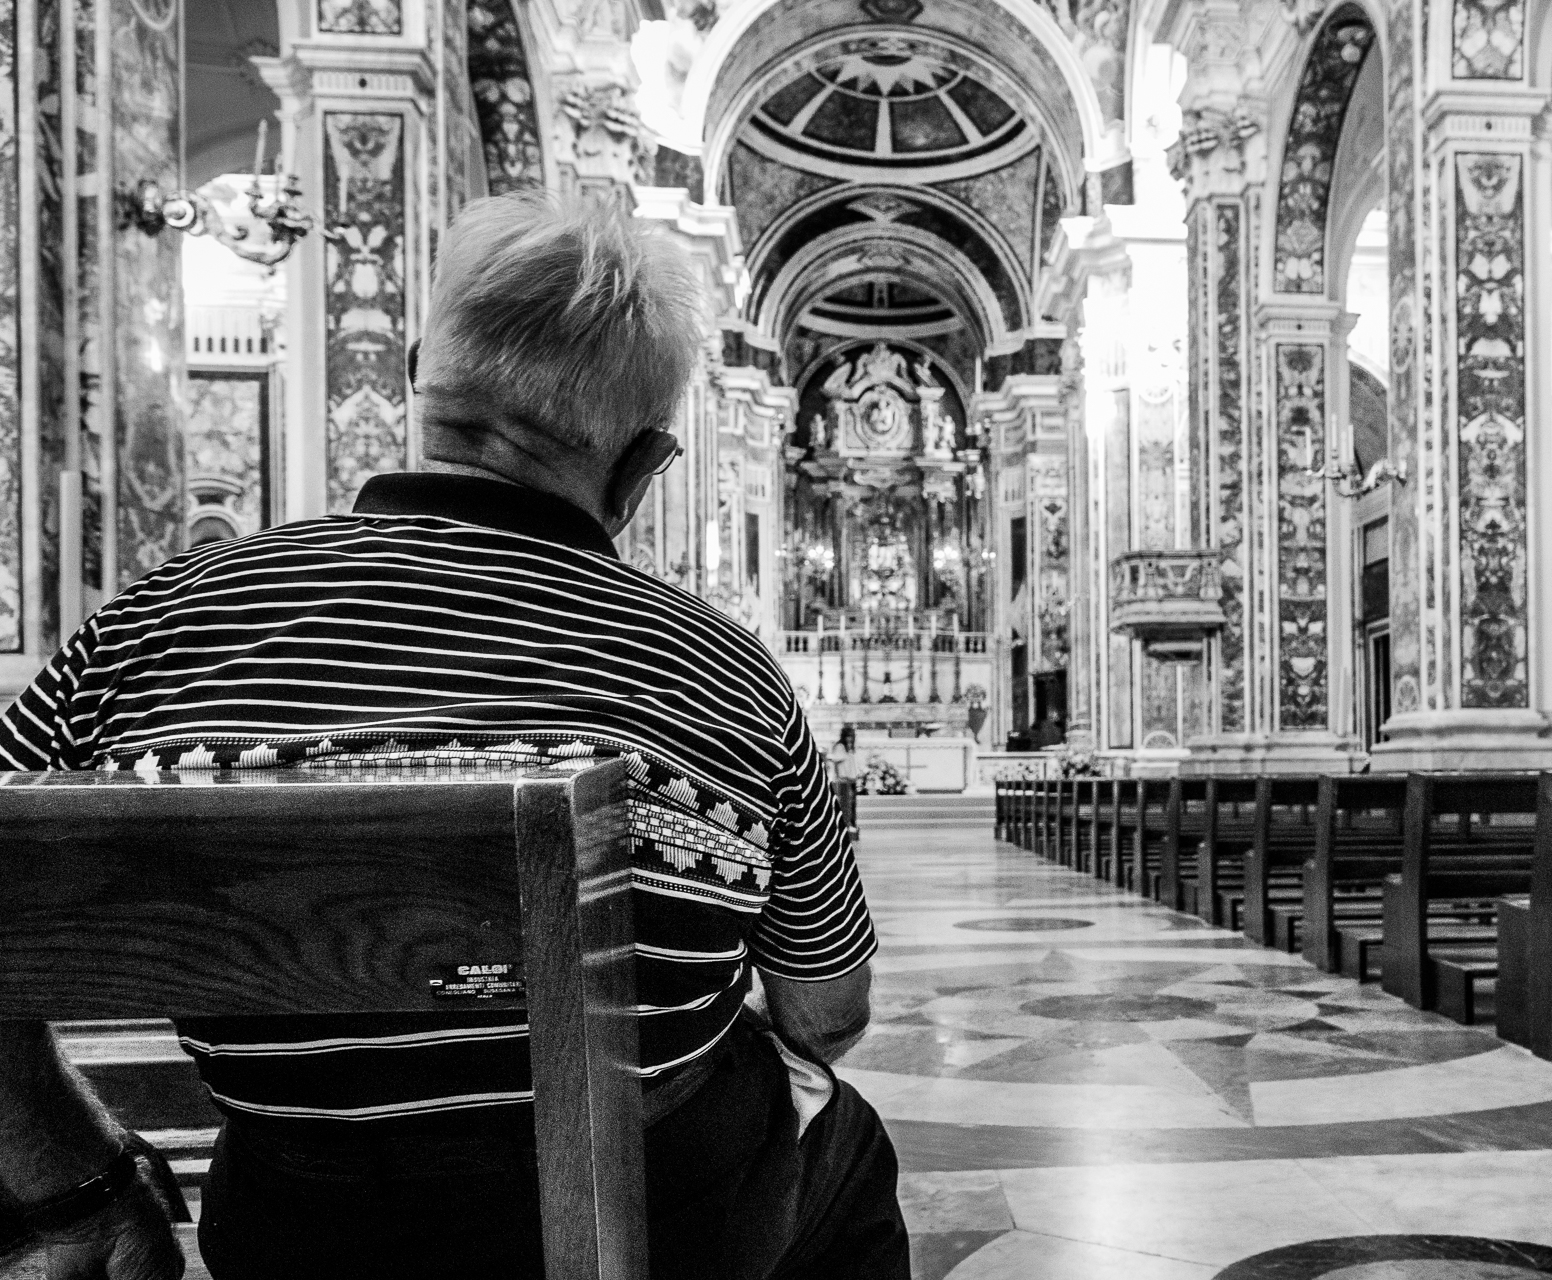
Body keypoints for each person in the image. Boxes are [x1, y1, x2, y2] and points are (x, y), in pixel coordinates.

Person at [0, 192, 907, 1280]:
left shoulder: (153, 626)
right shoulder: (724, 672)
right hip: (670, 1218)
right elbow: (825, 1005)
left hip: (303, 1228)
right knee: (843, 1139)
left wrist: (71, 1175)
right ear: (645, 464)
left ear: (421, 371)